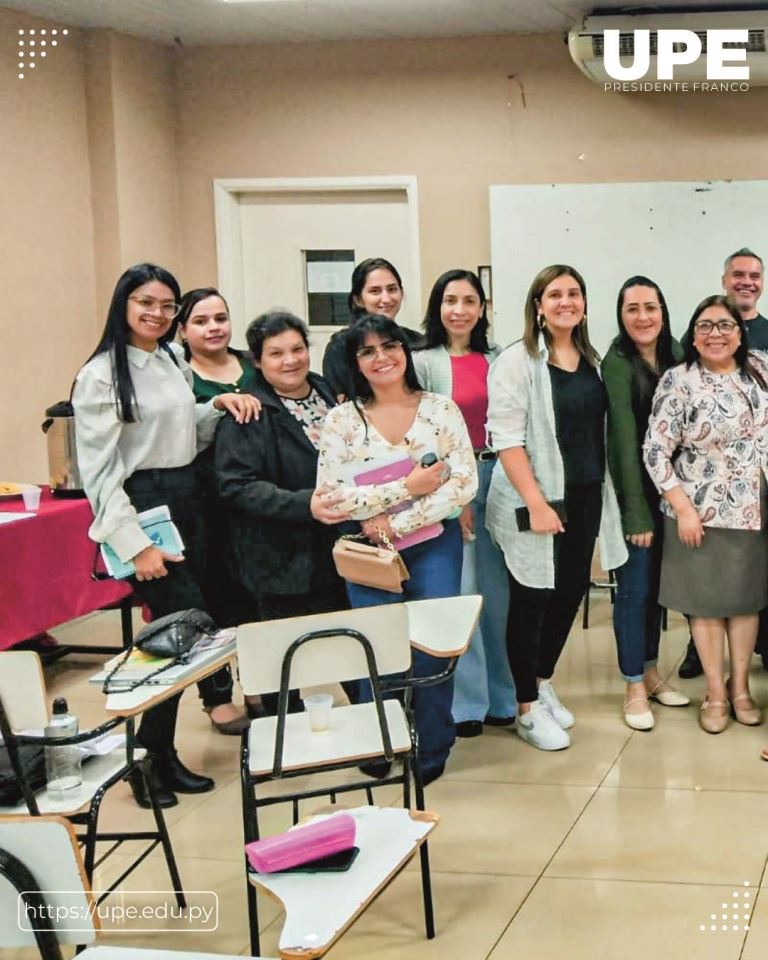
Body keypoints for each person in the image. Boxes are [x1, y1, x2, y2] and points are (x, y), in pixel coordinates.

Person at [73, 263, 259, 808]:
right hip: (144, 508)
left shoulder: (170, 359)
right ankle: (145, 758)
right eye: (145, 303)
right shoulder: (103, 374)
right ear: (123, 306)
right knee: (172, 638)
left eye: (166, 305)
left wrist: (216, 406)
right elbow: (101, 472)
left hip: (189, 500)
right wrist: (137, 546)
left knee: (194, 634)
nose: (157, 314)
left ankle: (159, 752)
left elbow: (182, 438)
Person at [317, 314, 477, 783]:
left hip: (433, 546)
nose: (381, 357)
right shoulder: (341, 420)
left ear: (405, 352)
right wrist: (404, 488)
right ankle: (378, 740)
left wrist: (396, 522)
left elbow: (461, 484)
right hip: (365, 553)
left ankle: (431, 744)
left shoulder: (440, 410)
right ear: (355, 363)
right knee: (375, 646)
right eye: (367, 351)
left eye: (389, 346)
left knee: (433, 648)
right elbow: (331, 497)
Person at [486, 264, 627, 752]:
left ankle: (543, 681)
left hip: (585, 496)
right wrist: (536, 502)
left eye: (574, 293)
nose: (566, 301)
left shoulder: (590, 358)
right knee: (532, 599)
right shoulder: (517, 361)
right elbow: (505, 438)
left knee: (569, 592)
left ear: (584, 304)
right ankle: (525, 707)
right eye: (555, 294)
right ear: (539, 306)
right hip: (537, 499)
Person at [644, 295, 768, 734]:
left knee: (746, 600)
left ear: (740, 331)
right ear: (693, 337)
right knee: (707, 605)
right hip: (700, 509)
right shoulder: (678, 381)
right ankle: (716, 693)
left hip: (755, 507)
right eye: (705, 326)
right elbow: (655, 450)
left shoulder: (760, 369)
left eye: (725, 325)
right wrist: (683, 508)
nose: (716, 333)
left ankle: (741, 690)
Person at [215, 310, 350, 711]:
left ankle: (375, 734)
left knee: (351, 648)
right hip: (277, 559)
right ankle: (278, 745)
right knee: (280, 664)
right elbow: (235, 485)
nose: (290, 360)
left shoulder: (327, 392)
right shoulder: (249, 410)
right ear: (257, 360)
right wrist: (302, 504)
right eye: (276, 353)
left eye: (297, 349)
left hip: (335, 549)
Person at [414, 269, 516, 737]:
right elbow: (424, 438)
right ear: (438, 307)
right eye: (450, 299)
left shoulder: (499, 358)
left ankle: (504, 696)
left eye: (470, 300)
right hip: (453, 484)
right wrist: (457, 496)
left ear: (482, 308)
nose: (460, 309)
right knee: (465, 593)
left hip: (501, 475)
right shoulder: (423, 363)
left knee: (500, 597)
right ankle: (467, 704)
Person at [602, 277, 689, 730]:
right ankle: (633, 684)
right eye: (632, 308)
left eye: (650, 307)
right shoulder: (616, 364)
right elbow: (621, 442)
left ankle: (653, 672)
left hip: (676, 495)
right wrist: (635, 512)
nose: (642, 317)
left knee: (658, 590)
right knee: (634, 592)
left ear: (662, 309)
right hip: (634, 495)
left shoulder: (677, 353)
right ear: (620, 315)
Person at [679, 248, 767, 679]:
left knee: (750, 586)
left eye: (754, 275)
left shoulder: (764, 354)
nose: (746, 281)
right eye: (738, 274)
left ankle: (748, 671)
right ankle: (710, 670)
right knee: (710, 589)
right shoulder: (687, 368)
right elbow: (659, 443)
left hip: (755, 494)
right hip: (702, 498)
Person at [175, 287, 259, 734]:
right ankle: (217, 696)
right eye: (202, 321)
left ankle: (261, 686)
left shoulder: (253, 363)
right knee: (213, 597)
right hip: (204, 502)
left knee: (255, 595)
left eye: (221, 318)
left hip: (257, 499)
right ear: (183, 330)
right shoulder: (177, 376)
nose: (214, 328)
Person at [322, 258, 423, 400]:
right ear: (358, 300)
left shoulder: (416, 340)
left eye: (392, 289)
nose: (386, 299)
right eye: (375, 291)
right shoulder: (341, 346)